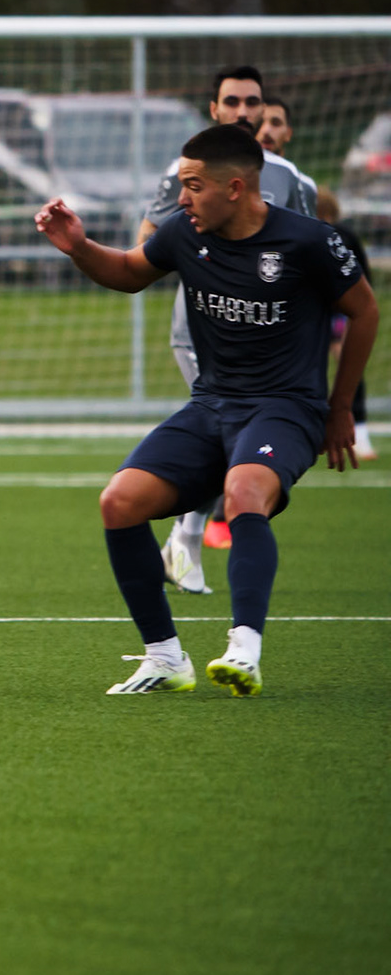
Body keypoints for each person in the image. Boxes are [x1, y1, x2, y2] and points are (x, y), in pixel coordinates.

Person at [37, 124, 376, 697]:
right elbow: (126, 273)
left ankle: (243, 651)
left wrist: (340, 407)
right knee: (119, 501)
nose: (182, 197)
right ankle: (166, 660)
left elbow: (364, 312)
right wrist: (78, 246)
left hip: (286, 409)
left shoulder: (309, 241)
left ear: (237, 187)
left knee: (244, 491)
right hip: (210, 405)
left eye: (193, 185)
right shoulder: (183, 233)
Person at [137, 66, 318, 590]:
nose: (243, 111)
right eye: (232, 101)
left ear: (265, 111)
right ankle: (188, 536)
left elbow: (313, 252)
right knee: (227, 433)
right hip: (203, 337)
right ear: (214, 110)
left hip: (273, 346)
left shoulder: (291, 179)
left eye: (252, 102)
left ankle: (185, 539)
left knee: (241, 444)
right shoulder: (183, 172)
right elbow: (149, 238)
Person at [318, 186, 377, 461]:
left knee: (346, 362)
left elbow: (362, 277)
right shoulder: (304, 235)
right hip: (316, 312)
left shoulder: (341, 235)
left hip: (338, 313)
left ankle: (359, 430)